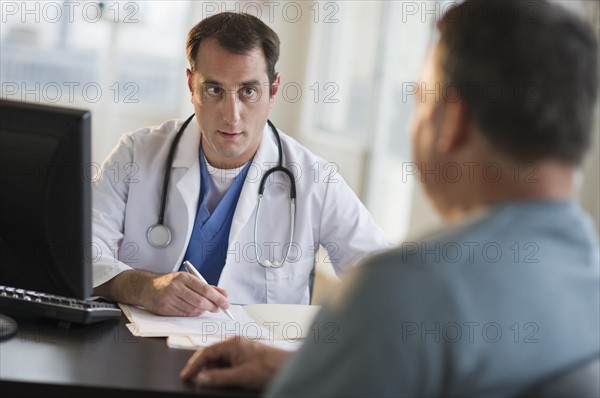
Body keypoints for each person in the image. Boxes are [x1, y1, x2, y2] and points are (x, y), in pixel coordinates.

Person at [180, 1, 600, 396]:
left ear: (451, 121)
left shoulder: (405, 293)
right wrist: (299, 367)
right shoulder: (585, 280)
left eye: (419, 98)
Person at [91, 12, 389, 316]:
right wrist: (143, 287)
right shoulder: (135, 154)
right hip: (140, 352)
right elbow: (78, 251)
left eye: (248, 91)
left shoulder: (315, 180)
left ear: (273, 91)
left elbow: (385, 280)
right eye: (214, 90)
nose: (231, 115)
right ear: (191, 85)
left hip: (258, 356)